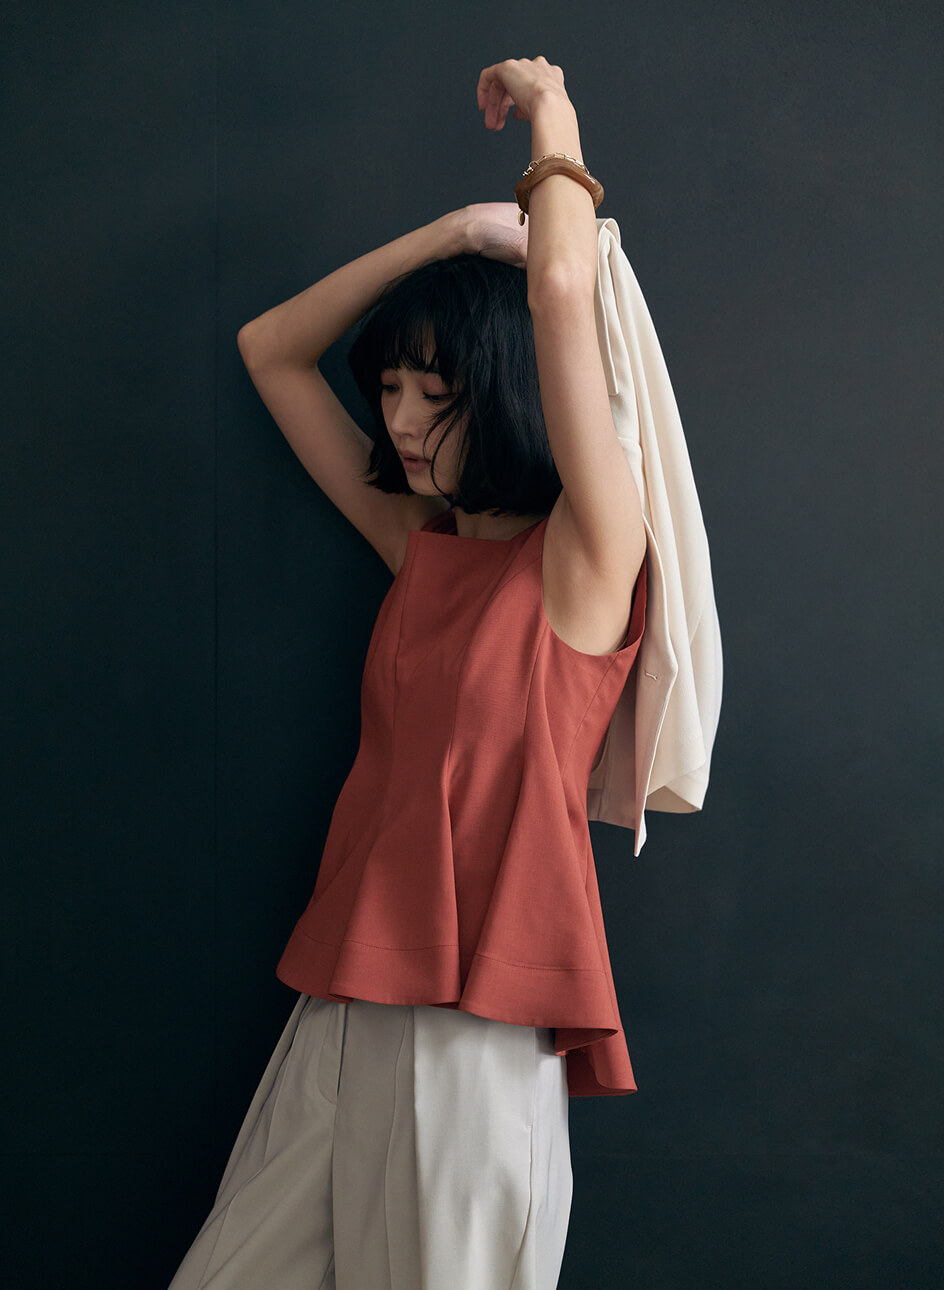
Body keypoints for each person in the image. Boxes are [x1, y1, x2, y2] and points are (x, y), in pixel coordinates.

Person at [168, 56, 648, 1290]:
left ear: (507, 392)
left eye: (437, 392)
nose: (398, 420)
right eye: (389, 387)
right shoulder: (420, 547)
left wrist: (549, 114)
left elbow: (558, 290)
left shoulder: (584, 562)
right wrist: (446, 237)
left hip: (476, 1030)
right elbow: (271, 351)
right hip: (344, 998)